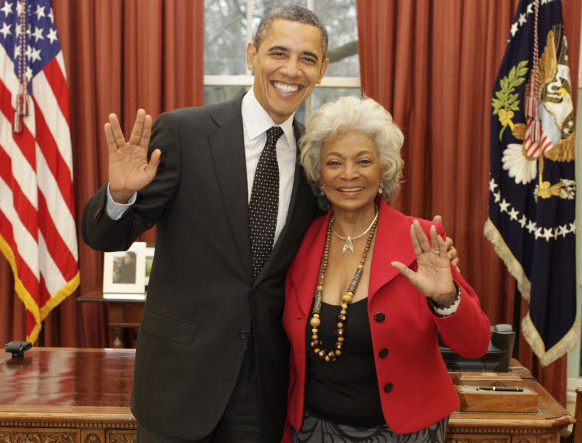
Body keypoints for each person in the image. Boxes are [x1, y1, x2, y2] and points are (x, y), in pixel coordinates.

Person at [82, 6, 457, 443]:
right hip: (178, 384)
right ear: (251, 55)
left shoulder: (317, 160)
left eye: (307, 58)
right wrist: (121, 195)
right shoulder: (184, 133)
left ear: (322, 70)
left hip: (266, 391)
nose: (291, 70)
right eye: (279, 53)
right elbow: (103, 237)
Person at [282, 96, 491, 443]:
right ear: (319, 172)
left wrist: (445, 298)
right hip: (313, 430)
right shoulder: (298, 243)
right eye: (335, 162)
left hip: (406, 432)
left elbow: (476, 345)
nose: (349, 174)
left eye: (363, 161)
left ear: (384, 169)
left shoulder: (421, 239)